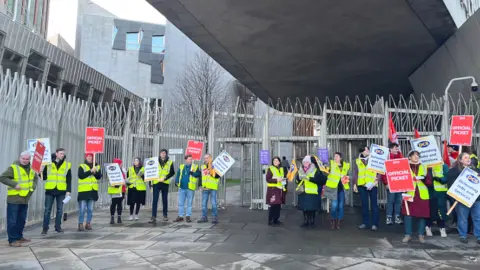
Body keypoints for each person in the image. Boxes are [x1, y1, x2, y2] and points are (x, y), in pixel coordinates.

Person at [0, 151, 38, 247]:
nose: (25, 161)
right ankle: (12, 240)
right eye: (23, 159)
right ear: (20, 158)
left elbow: (35, 179)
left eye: (27, 159)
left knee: (21, 220)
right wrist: (14, 184)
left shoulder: (32, 168)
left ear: (29, 159)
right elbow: (3, 178)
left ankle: (19, 236)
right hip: (14, 198)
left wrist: (33, 187)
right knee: (12, 220)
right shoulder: (13, 168)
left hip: (25, 198)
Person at [447, 152, 480, 244]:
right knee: (463, 218)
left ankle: (479, 236)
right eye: (465, 158)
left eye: (469, 157)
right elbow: (451, 185)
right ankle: (463, 235)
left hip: (476, 199)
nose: (468, 159)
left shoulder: (477, 170)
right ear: (460, 160)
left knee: (478, 218)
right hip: (462, 199)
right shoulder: (454, 171)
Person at [402, 150, 431, 243]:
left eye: (418, 155)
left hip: (422, 194)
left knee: (422, 215)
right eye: (414, 155)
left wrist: (423, 178)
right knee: (408, 215)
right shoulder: (404, 166)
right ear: (409, 157)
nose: (416, 157)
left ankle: (421, 235)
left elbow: (430, 182)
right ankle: (407, 234)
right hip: (409, 193)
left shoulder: (424, 166)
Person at [41, 148, 72, 235]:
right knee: (47, 210)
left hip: (61, 191)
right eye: (61, 153)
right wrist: (41, 170)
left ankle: (58, 227)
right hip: (50, 190)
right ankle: (45, 228)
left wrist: (68, 191)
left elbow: (69, 179)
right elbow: (44, 178)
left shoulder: (67, 165)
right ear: (56, 154)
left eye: (63, 154)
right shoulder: (48, 164)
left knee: (60, 210)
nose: (62, 155)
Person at [352, 147, 380, 231]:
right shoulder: (358, 160)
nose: (368, 151)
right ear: (362, 152)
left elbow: (380, 171)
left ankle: (375, 224)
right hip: (361, 185)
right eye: (366, 150)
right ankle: (365, 222)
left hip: (373, 185)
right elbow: (355, 173)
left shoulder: (374, 159)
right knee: (364, 205)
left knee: (374, 205)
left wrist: (377, 180)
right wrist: (354, 184)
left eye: (368, 149)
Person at [296, 155, 327, 228]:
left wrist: (310, 179)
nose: (305, 163)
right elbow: (297, 180)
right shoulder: (300, 170)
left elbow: (322, 180)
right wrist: (299, 179)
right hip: (303, 191)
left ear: (310, 163)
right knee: (304, 208)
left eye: (307, 161)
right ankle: (306, 221)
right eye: (304, 162)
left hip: (312, 192)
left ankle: (312, 222)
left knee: (312, 208)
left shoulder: (316, 170)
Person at [325, 152, 350, 230]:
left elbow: (349, 175)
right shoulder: (331, 164)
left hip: (342, 189)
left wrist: (347, 177)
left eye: (337, 156)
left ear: (340, 158)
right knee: (334, 206)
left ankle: (339, 222)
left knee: (341, 206)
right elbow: (326, 173)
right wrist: (326, 169)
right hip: (333, 189)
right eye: (334, 156)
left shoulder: (346, 165)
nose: (335, 158)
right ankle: (333, 221)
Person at [77, 153, 102, 231]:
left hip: (92, 191)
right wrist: (90, 171)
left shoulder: (97, 166)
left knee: (90, 209)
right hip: (84, 191)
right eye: (88, 157)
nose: (90, 158)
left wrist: (95, 172)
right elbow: (81, 175)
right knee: (82, 209)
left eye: (91, 157)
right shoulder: (82, 166)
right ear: (86, 157)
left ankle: (88, 223)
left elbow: (99, 177)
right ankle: (80, 223)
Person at [149, 149, 175, 223]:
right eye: (162, 153)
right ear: (160, 154)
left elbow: (172, 172)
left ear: (166, 154)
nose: (163, 154)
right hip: (156, 182)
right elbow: (150, 171)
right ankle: (153, 216)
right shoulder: (154, 161)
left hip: (165, 182)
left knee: (164, 199)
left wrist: (165, 178)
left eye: (164, 153)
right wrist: (150, 183)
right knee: (155, 200)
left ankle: (165, 215)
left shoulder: (170, 162)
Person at [174, 154, 201, 223]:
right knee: (181, 203)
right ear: (185, 160)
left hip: (190, 188)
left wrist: (192, 173)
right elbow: (178, 174)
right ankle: (180, 216)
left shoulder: (195, 166)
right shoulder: (182, 166)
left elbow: (198, 174)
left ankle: (188, 216)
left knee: (189, 203)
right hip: (182, 187)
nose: (190, 160)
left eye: (191, 159)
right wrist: (176, 181)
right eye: (189, 159)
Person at [382, 142, 404, 225]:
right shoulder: (386, 158)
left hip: (399, 183)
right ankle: (389, 217)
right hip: (390, 183)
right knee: (390, 201)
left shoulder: (401, 158)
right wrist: (386, 183)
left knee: (398, 200)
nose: (397, 149)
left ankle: (397, 217)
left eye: (397, 148)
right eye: (395, 148)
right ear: (390, 149)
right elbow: (383, 172)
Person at [425, 163, 449, 238]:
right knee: (431, 210)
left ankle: (442, 228)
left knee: (442, 210)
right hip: (430, 192)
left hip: (441, 192)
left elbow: (447, 177)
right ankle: (428, 227)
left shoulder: (443, 166)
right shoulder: (426, 166)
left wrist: (439, 179)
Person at [198, 154, 221, 224]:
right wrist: (199, 185)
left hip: (213, 188)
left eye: (207, 158)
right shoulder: (202, 166)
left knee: (214, 203)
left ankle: (214, 218)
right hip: (205, 188)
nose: (206, 159)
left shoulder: (215, 166)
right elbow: (201, 177)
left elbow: (218, 176)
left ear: (211, 158)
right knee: (204, 204)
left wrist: (210, 172)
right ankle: (204, 217)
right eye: (205, 158)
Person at [266, 156, 287, 226]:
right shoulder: (270, 169)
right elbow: (268, 179)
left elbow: (283, 179)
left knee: (278, 205)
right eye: (274, 161)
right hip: (273, 189)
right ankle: (270, 220)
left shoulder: (281, 169)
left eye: (277, 161)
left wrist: (284, 187)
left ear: (279, 162)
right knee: (273, 205)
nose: (275, 162)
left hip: (279, 189)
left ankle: (276, 219)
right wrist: (276, 180)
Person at [108, 158, 126, 224]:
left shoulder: (123, 170)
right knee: (113, 204)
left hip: (122, 190)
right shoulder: (112, 170)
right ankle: (112, 217)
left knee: (119, 204)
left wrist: (125, 182)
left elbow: (125, 178)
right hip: (114, 190)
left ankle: (119, 217)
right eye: (120, 164)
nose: (121, 165)